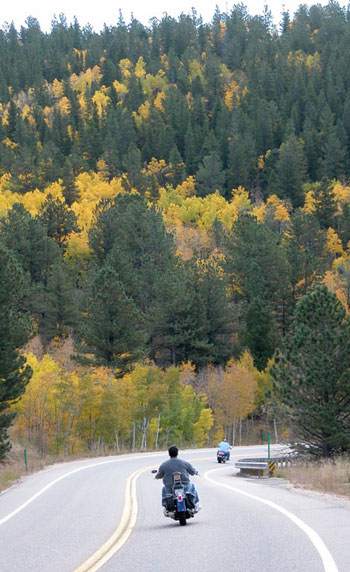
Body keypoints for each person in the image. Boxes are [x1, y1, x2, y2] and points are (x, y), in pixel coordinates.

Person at [155, 445, 200, 515]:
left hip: (170, 487)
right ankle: (196, 503)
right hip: (185, 485)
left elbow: (159, 475)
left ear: (169, 454)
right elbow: (192, 471)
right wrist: (195, 472)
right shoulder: (184, 462)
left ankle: (166, 507)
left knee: (164, 490)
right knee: (192, 486)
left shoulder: (164, 465)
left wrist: (157, 476)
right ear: (177, 453)